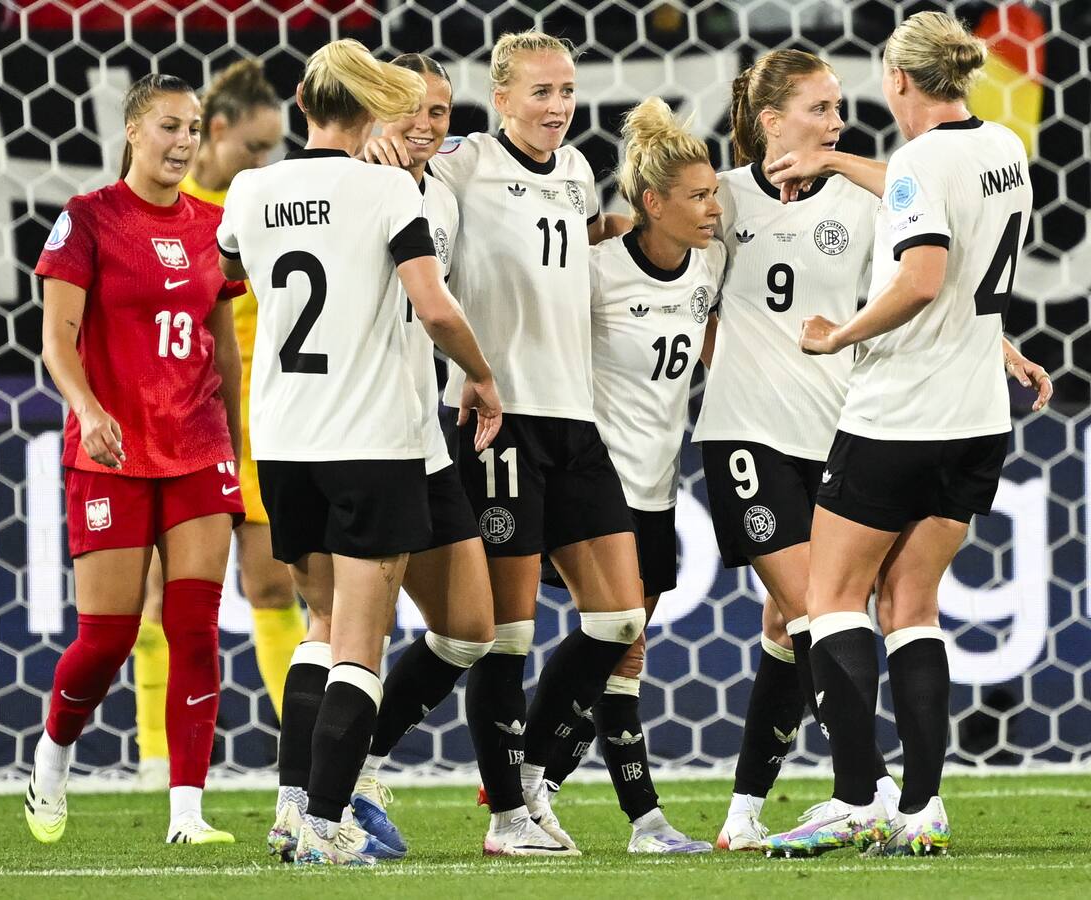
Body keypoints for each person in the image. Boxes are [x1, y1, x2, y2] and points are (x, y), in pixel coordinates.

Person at [759, 11, 1044, 857]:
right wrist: (836, 160)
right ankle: (922, 806)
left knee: (831, 598)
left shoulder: (923, 162)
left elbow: (923, 277)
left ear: (899, 82)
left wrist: (840, 336)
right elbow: (937, 211)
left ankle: (856, 795)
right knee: (913, 607)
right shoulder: (1002, 151)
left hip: (899, 414)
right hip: (976, 419)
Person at [217, 38, 502, 866]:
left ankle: (292, 805)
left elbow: (231, 265)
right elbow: (435, 306)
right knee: (359, 644)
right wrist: (481, 376)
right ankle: (325, 821)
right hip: (371, 439)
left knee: (324, 622)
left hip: (286, 436)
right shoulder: (385, 190)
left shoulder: (251, 186)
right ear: (374, 108)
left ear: (302, 105)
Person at [366, 30, 646, 855]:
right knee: (504, 632)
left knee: (621, 615)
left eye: (566, 91)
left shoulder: (576, 169)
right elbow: (411, 172)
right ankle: (503, 816)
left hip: (574, 414)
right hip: (496, 415)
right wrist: (396, 147)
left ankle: (524, 778)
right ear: (502, 99)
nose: (558, 108)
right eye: (541, 93)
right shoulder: (460, 164)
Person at [686, 48, 901, 850]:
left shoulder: (857, 193)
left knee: (787, 624)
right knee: (819, 605)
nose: (837, 119)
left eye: (841, 106)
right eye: (819, 108)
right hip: (746, 432)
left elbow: (926, 211)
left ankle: (744, 811)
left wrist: (834, 155)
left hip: (836, 431)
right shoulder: (727, 199)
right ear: (771, 119)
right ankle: (867, 787)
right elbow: (680, 277)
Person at [26, 73, 247, 845]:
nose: (183, 141)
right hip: (112, 451)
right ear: (131, 131)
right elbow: (58, 338)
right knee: (109, 638)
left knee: (195, 628)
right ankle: (53, 755)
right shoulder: (87, 220)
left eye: (193, 128)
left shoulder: (215, 228)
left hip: (196, 447)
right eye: (167, 126)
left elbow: (224, 349)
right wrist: (88, 412)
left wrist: (240, 457)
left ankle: (187, 813)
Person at [531, 96, 724, 854]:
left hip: (656, 485)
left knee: (621, 649)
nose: (714, 207)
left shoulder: (708, 266)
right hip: (591, 481)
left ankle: (536, 791)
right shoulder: (597, 269)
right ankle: (608, 809)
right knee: (611, 638)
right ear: (652, 202)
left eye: (714, 193)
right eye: (699, 196)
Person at [331, 52, 512, 858]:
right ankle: (315, 798)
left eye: (440, 111)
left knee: (471, 627)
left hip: (426, 428)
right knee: (340, 634)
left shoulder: (442, 190)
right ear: (375, 110)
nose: (427, 124)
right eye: (410, 108)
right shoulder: (356, 185)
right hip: (361, 435)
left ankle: (360, 764)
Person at [131, 57, 306, 792]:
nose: (264, 163)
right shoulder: (164, 213)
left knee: (273, 589)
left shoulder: (266, 208)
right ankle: (155, 760)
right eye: (254, 148)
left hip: (262, 425)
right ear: (217, 132)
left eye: (274, 151)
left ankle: (304, 753)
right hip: (175, 428)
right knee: (160, 598)